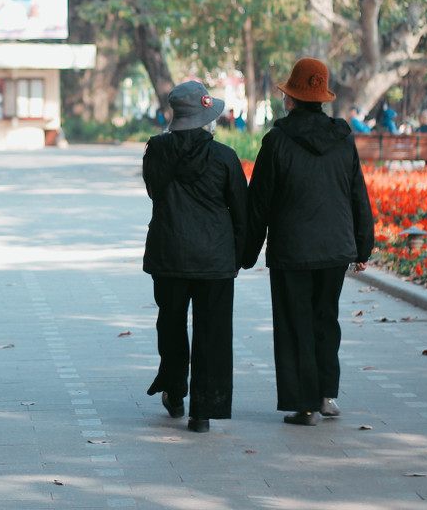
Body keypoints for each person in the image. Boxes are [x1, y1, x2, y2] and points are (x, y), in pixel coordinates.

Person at [244, 58, 375, 427]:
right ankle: (326, 395)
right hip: (334, 249)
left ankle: (304, 405)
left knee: (294, 323)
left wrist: (245, 252)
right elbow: (357, 195)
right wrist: (362, 246)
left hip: (292, 250)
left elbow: (260, 203)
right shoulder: (342, 138)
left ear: (293, 99)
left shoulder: (277, 141)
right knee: (325, 319)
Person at [142, 81, 248, 434]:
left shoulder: (156, 151)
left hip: (169, 255)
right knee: (213, 333)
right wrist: (239, 256)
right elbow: (241, 212)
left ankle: (175, 391)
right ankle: (203, 412)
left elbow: (154, 193)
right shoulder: (225, 157)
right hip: (215, 261)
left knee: (171, 325)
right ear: (207, 120)